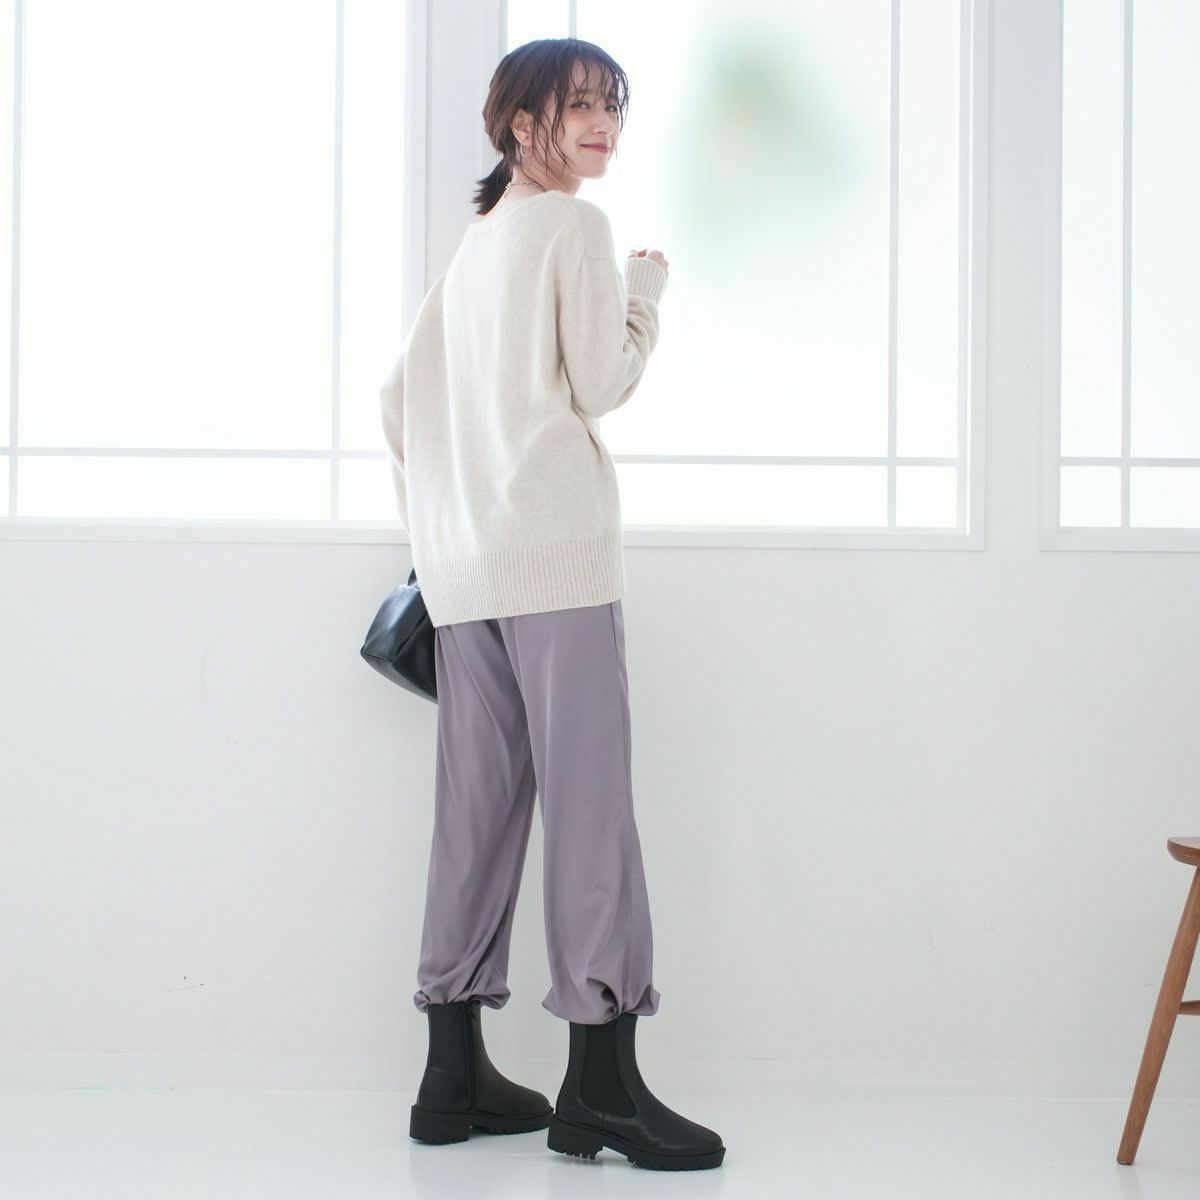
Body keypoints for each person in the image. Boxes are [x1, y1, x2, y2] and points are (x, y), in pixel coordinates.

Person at [379, 37, 725, 1172]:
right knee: (590, 815)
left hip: (466, 576)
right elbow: (603, 382)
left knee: (474, 816)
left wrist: (443, 525)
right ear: (519, 124)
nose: (601, 125)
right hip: (558, 566)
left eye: (611, 106)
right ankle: (601, 1091)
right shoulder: (573, 228)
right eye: (577, 106)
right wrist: (646, 293)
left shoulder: (477, 246)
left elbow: (396, 401)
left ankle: (451, 1079)